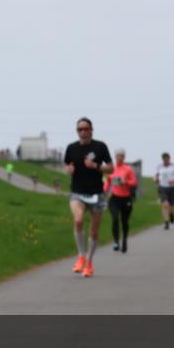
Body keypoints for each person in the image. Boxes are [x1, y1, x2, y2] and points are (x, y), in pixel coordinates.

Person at [64, 117, 113, 278]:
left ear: (91, 130)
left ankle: (89, 262)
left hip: (96, 193)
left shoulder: (100, 147)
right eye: (80, 129)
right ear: (77, 131)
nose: (83, 132)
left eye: (86, 129)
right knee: (78, 220)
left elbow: (111, 168)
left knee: (94, 230)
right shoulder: (71, 148)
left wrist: (97, 166)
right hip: (77, 192)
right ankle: (81, 255)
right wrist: (68, 169)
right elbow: (67, 164)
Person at [104, 148, 137, 253]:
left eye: (122, 156)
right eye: (118, 155)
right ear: (115, 157)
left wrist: (125, 182)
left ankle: (125, 240)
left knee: (124, 221)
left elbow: (134, 182)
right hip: (114, 198)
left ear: (124, 157)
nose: (120, 157)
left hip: (126, 198)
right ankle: (116, 242)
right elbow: (107, 182)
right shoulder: (112, 169)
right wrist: (103, 191)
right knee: (115, 219)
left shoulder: (128, 169)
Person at [155, 152, 174, 230]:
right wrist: (155, 179)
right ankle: (166, 222)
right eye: (164, 159)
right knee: (165, 204)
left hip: (172, 187)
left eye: (167, 158)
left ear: (169, 158)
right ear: (162, 159)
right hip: (163, 187)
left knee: (172, 205)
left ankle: (171, 214)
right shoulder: (159, 166)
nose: (165, 160)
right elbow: (156, 175)